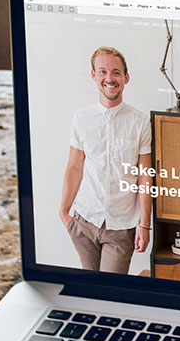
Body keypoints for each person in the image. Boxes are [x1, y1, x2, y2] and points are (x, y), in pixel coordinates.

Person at [60, 46, 152, 274]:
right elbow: (74, 166)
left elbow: (145, 177)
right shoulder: (81, 118)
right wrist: (64, 212)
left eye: (116, 72)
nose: (109, 78)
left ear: (126, 77)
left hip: (121, 227)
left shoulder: (139, 122)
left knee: (112, 291)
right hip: (84, 221)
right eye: (102, 72)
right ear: (94, 75)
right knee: (90, 290)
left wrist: (145, 224)